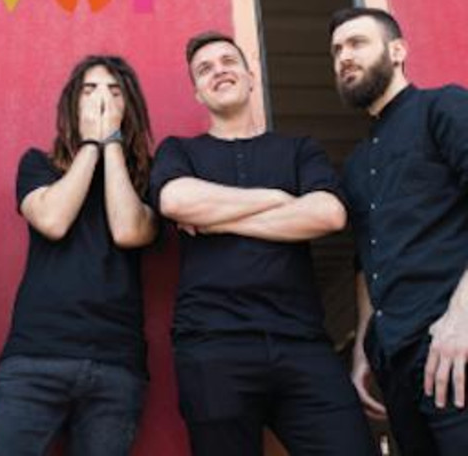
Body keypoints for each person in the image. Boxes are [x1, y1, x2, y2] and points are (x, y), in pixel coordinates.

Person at [149, 31, 375, 455]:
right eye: (205, 69)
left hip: (302, 342)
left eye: (228, 62)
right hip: (212, 343)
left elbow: (328, 213)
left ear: (251, 76)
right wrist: (277, 199)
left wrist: (217, 218)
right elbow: (175, 200)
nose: (219, 71)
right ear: (197, 93)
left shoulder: (299, 149)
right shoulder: (179, 151)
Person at [0, 55, 157, 456]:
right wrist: (91, 144)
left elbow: (128, 230)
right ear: (73, 104)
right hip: (35, 356)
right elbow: (52, 220)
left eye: (114, 91)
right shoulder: (38, 163)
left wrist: (112, 145)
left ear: (129, 106)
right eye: (90, 90)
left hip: (116, 364)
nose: (101, 101)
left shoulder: (149, 176)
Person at [330, 7, 468, 455]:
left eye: (357, 43)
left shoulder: (443, 107)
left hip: (454, 346)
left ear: (397, 51)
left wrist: (461, 320)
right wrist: (362, 351)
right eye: (336, 50)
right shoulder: (355, 164)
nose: (344, 57)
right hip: (395, 363)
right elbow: (366, 261)